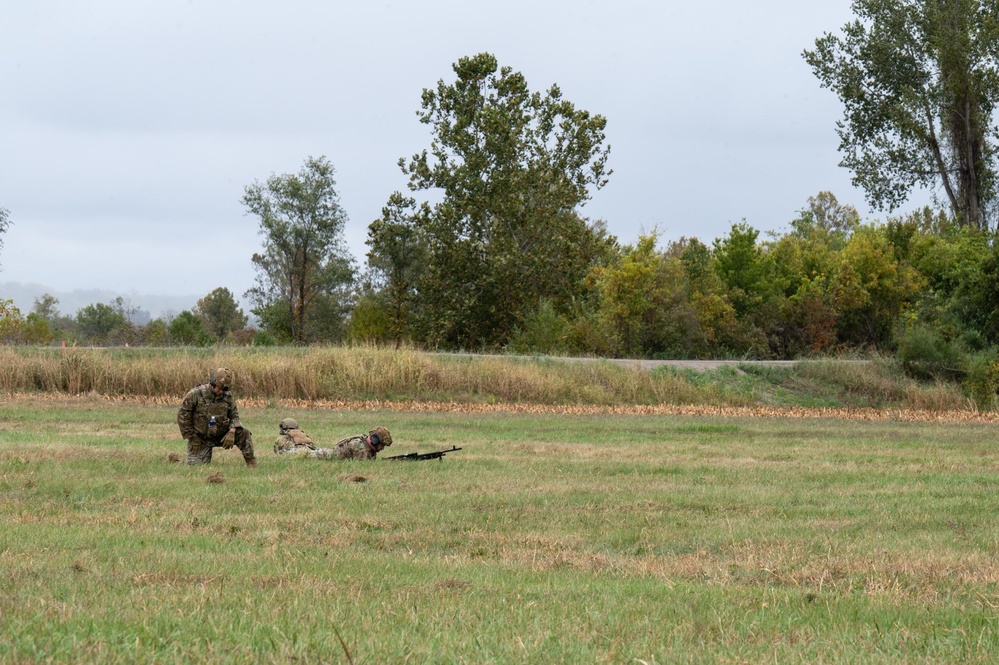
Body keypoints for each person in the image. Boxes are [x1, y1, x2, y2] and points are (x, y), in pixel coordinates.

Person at [176, 367, 257, 466]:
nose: (222, 392)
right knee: (196, 467)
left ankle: (252, 463)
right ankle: (176, 461)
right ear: (213, 383)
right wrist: (192, 437)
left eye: (225, 389)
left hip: (222, 435)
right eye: (220, 388)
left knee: (244, 432)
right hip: (200, 438)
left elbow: (234, 416)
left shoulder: (228, 396)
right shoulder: (195, 394)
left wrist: (232, 431)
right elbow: (183, 416)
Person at [273, 417, 392, 460]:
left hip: (323, 454)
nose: (382, 448)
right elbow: (365, 466)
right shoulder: (359, 447)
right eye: (382, 445)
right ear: (375, 441)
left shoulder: (365, 445)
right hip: (319, 457)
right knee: (291, 454)